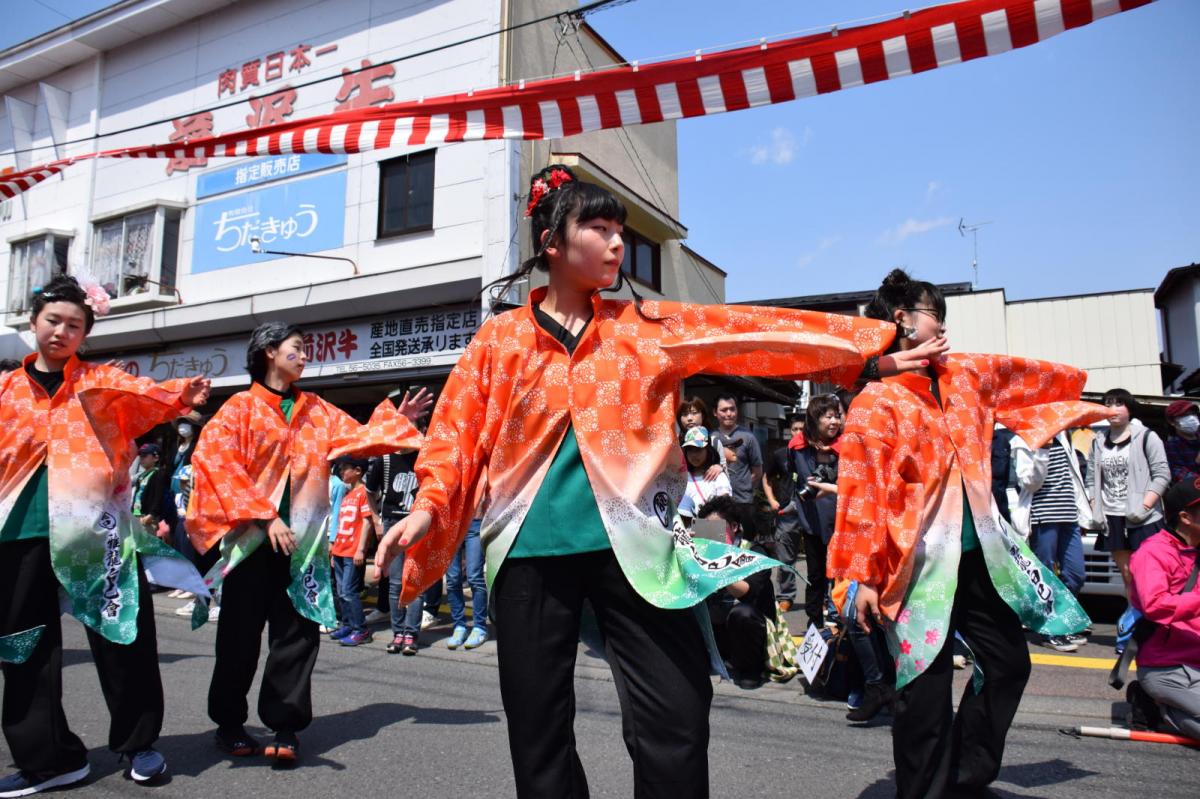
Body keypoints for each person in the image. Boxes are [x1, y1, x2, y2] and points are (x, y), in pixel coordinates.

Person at [375, 164, 939, 798]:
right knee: (537, 730)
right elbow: (455, 435)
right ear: (552, 242)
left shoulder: (644, 327)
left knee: (677, 713)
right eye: (599, 227)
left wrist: (862, 354)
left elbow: (746, 332)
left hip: (639, 547)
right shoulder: (500, 340)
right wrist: (428, 507)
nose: (618, 242)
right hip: (531, 551)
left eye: (620, 229)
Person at [829, 269, 1106, 799]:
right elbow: (860, 494)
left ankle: (965, 774)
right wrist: (859, 577)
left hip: (979, 557)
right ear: (902, 320)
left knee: (1008, 663)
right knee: (924, 695)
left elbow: (1029, 378)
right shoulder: (875, 402)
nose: (945, 323)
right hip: (914, 567)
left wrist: (1091, 399)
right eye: (936, 312)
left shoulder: (964, 377)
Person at [0, 275, 211, 794]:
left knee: (123, 633)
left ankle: (140, 743)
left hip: (95, 529)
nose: (61, 331)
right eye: (53, 320)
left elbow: (151, 398)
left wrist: (182, 393)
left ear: (85, 333)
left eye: (74, 324)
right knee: (23, 645)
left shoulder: (100, 382)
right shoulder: (4, 390)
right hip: (20, 531)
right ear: (34, 322)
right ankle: (49, 759)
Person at [186, 322, 423, 764]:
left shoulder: (316, 408)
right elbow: (213, 462)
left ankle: (285, 725)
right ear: (269, 352)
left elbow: (357, 438)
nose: (304, 355)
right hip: (253, 543)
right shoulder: (239, 408)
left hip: (305, 544)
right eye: (296, 348)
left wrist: (398, 423)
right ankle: (230, 723)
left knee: (297, 635)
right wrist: (263, 513)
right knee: (238, 638)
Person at [1129, 477, 1200, 742]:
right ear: (1185, 517)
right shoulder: (1153, 553)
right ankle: (1158, 708)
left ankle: (1162, 709)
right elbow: (1155, 605)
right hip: (1169, 668)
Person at [1012, 429, 1093, 652]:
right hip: (1042, 516)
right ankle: (1051, 630)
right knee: (1045, 577)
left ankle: (1064, 622)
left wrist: (1084, 514)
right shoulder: (1024, 438)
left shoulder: (1063, 436)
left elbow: (1073, 477)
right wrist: (1042, 451)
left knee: (1076, 574)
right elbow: (1029, 482)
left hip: (1069, 515)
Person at [1089, 388, 1171, 595]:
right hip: (1112, 517)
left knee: (1149, 573)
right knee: (1127, 574)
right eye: (1108, 404)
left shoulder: (1147, 437)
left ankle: (1153, 620)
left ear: (1130, 408)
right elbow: (1091, 478)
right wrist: (1094, 504)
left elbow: (1162, 474)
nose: (1112, 409)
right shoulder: (1097, 441)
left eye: (1119, 404)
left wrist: (1145, 505)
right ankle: (1135, 622)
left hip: (1144, 518)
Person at [697, 494, 777, 689]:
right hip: (715, 629)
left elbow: (746, 593)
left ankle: (750, 669)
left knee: (743, 614)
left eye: (716, 529)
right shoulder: (699, 552)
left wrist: (717, 561)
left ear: (734, 527)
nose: (710, 536)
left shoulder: (754, 553)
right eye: (706, 529)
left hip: (747, 632)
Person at [364, 420, 428, 654]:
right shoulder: (386, 457)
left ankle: (411, 634)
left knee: (415, 581)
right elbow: (369, 491)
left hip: (417, 524)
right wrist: (376, 520)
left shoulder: (425, 456)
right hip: (392, 523)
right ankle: (398, 632)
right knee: (394, 583)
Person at [792, 394, 843, 631]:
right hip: (811, 522)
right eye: (828, 416)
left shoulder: (847, 446)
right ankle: (814, 628)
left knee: (843, 578)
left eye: (837, 416)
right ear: (814, 418)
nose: (834, 422)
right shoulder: (798, 448)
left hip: (842, 523)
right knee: (815, 578)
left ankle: (845, 626)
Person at [329, 458, 376, 647]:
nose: (341, 472)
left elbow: (367, 522)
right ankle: (348, 624)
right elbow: (340, 523)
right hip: (340, 549)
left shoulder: (363, 493)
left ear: (358, 470)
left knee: (349, 591)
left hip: (352, 551)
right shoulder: (348, 494)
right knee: (341, 592)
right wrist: (334, 550)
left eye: (344, 469)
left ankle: (361, 630)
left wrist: (361, 550)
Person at [764, 415, 805, 613]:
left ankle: (823, 596)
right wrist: (772, 500)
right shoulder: (781, 454)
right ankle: (786, 596)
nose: (799, 433)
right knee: (785, 558)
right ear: (790, 430)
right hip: (786, 513)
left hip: (811, 512)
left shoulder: (811, 452)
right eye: (796, 428)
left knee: (818, 558)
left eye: (803, 429)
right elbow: (766, 477)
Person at [714, 395, 763, 539]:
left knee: (745, 544)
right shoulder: (711, 437)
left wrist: (744, 486)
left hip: (743, 502)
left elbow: (757, 471)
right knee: (719, 542)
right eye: (724, 410)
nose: (729, 413)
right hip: (717, 502)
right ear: (715, 413)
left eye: (732, 409)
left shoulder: (748, 437)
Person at [682, 426, 732, 517]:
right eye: (690, 450)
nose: (694, 455)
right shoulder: (681, 477)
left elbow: (726, 508)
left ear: (708, 450)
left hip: (712, 528)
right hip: (685, 528)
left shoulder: (718, 476)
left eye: (698, 450)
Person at [1164, 399, 1200, 486]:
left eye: (1193, 414)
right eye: (1185, 415)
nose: (1192, 418)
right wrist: (1197, 463)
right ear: (1172, 422)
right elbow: (1179, 475)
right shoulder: (1171, 446)